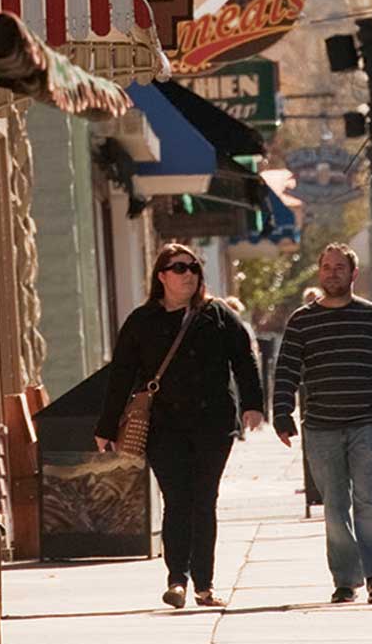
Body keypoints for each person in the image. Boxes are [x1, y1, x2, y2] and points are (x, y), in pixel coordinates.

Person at [94, 243, 265, 609]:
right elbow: (120, 375)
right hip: (164, 426)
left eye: (193, 268)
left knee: (204, 500)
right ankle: (177, 580)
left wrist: (253, 405)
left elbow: (244, 360)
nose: (188, 273)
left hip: (213, 424)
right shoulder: (141, 321)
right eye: (179, 268)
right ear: (161, 276)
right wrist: (107, 426)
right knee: (177, 500)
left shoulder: (217, 315)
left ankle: (204, 584)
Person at [271, 242, 372, 606]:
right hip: (321, 426)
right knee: (336, 507)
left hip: (367, 423)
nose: (332, 273)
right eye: (326, 267)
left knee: (369, 501)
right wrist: (281, 415)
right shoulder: (302, 321)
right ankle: (345, 578)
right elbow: (287, 372)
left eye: (340, 267)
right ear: (319, 273)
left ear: (353, 274)